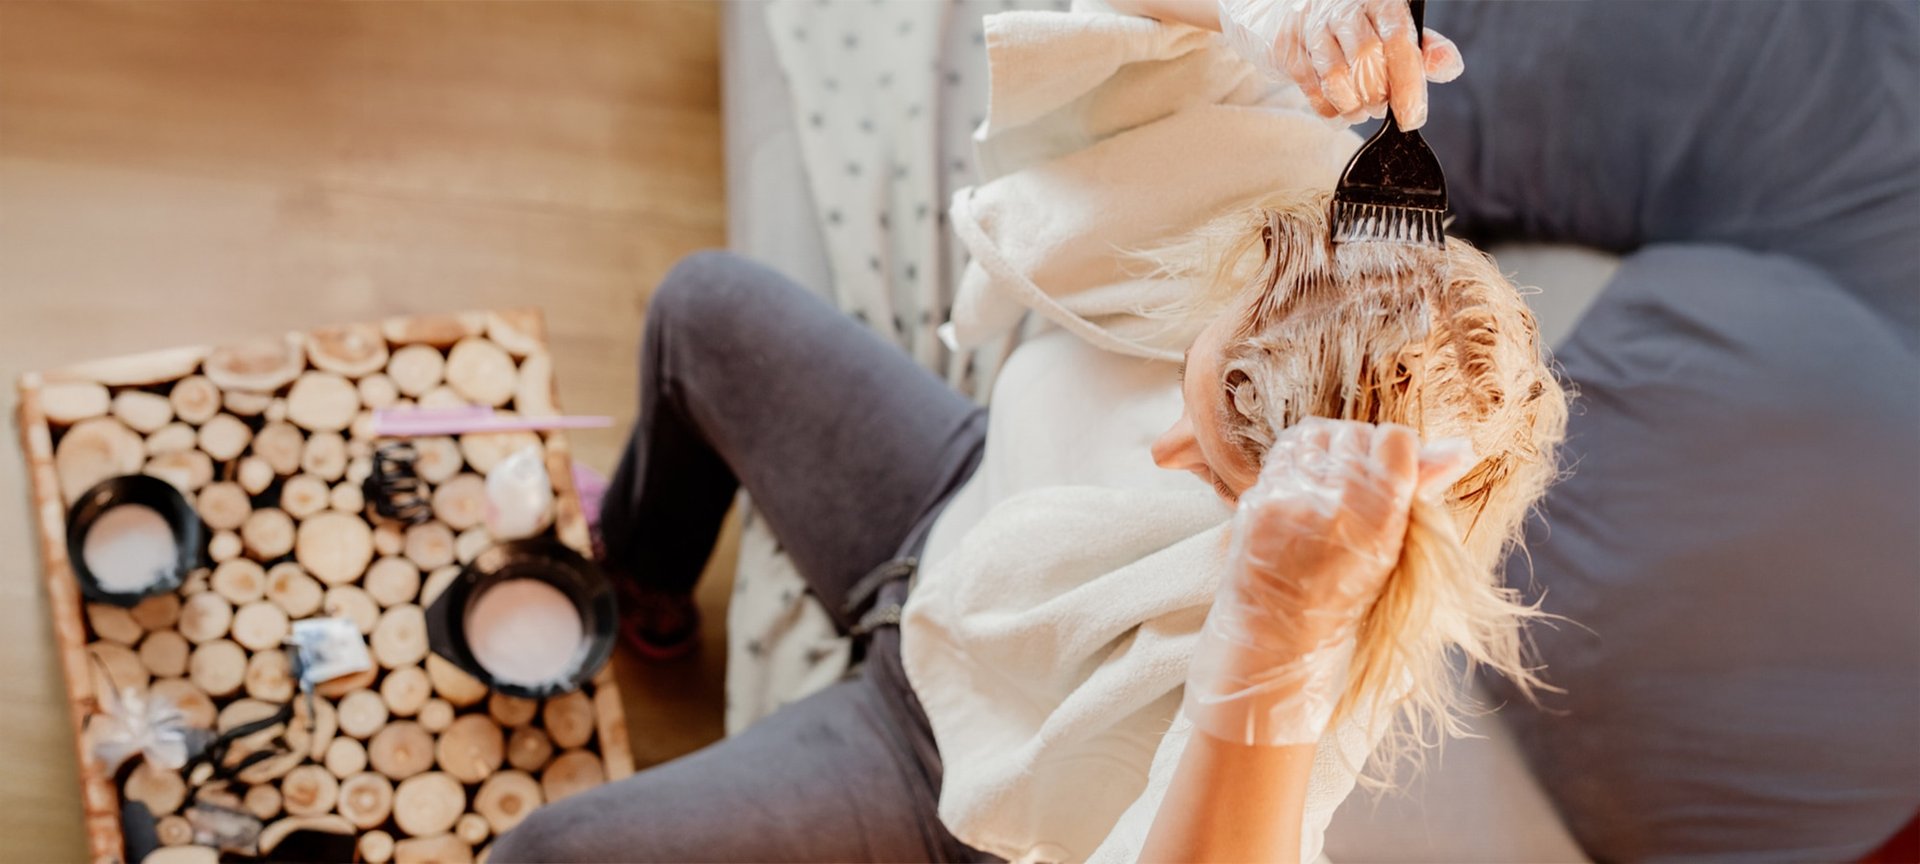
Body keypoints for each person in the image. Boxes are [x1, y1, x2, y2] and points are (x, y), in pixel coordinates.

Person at [490, 1, 1561, 861]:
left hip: (945, 752)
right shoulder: (1287, 248)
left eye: (1207, 465)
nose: (1165, 451)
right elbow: (1119, 48)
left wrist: (1275, 640)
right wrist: (1251, 17)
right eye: (1194, 379)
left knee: (548, 853)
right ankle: (639, 577)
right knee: (706, 308)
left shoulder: (1310, 650)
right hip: (959, 507)